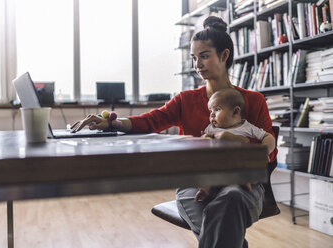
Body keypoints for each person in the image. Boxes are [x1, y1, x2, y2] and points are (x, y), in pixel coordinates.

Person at [71, 16, 277, 248]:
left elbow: (269, 154)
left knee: (231, 200)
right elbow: (150, 121)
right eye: (194, 58)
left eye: (204, 55)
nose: (197, 64)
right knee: (226, 228)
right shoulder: (185, 100)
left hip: (242, 185)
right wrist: (112, 123)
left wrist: (236, 146)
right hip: (194, 184)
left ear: (224, 55)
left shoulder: (253, 101)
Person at [194, 88, 275, 202]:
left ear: (236, 111)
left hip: (240, 164)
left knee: (253, 168)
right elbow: (203, 142)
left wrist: (264, 151)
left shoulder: (247, 127)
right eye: (210, 111)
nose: (212, 115)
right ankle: (205, 190)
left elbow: (268, 137)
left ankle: (243, 181)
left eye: (217, 109)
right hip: (217, 165)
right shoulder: (211, 128)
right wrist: (204, 139)